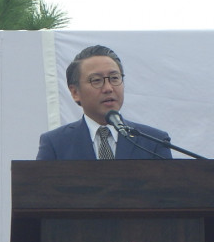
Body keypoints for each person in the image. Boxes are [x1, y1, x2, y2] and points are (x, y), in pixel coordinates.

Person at [36, 44, 173, 160]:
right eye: (96, 80)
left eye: (114, 78)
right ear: (75, 92)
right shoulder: (55, 143)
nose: (108, 88)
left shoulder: (153, 141)